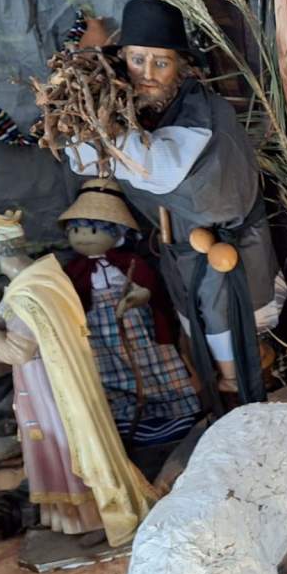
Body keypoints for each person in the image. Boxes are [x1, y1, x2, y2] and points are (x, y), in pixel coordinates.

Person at [65, 0, 287, 412]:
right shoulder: (137, 112)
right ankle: (222, 406)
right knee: (196, 330)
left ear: (180, 67)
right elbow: (84, 160)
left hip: (230, 250)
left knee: (231, 337)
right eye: (138, 60)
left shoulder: (201, 111)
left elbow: (158, 168)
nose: (147, 73)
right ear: (122, 62)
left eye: (161, 62)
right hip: (182, 251)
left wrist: (98, 129)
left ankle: (250, 401)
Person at [0, 209, 156, 546]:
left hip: (51, 387)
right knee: (55, 447)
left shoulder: (27, 295)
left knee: (67, 447)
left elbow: (18, 351)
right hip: (49, 379)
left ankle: (96, 516)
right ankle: (71, 519)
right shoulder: (43, 279)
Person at [59, 178, 201, 446]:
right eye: (75, 230)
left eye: (92, 230)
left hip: (135, 324)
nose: (82, 237)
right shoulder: (74, 270)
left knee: (151, 364)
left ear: (118, 234)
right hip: (97, 332)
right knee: (107, 372)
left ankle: (172, 414)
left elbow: (149, 288)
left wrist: (137, 297)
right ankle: (126, 420)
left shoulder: (129, 262)